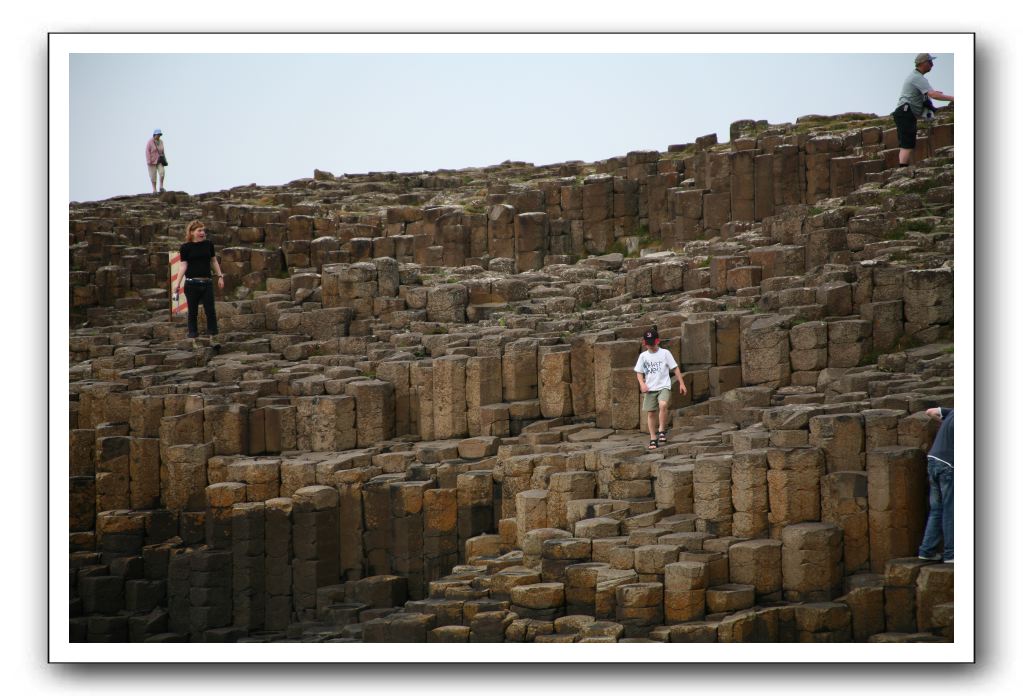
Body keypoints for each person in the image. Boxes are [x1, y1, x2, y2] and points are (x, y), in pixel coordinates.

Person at [893, 53, 954, 167]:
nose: (932, 65)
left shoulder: (915, 76)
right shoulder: (917, 78)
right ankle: (902, 169)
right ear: (923, 63)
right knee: (907, 143)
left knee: (905, 142)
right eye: (930, 62)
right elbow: (933, 95)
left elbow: (928, 94)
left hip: (903, 112)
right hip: (906, 112)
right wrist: (953, 98)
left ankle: (902, 168)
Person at [634, 328, 686, 450]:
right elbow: (639, 372)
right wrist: (642, 384)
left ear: (657, 341)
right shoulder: (643, 356)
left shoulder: (665, 353)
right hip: (650, 388)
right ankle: (653, 438)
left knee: (663, 404)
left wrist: (682, 384)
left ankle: (661, 429)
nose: (650, 346)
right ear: (644, 343)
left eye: (652, 343)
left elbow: (675, 368)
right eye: (648, 343)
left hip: (664, 385)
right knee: (651, 413)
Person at [173, 220, 224, 342]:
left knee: (210, 310)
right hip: (191, 284)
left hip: (207, 283)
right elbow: (183, 266)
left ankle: (213, 336)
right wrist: (177, 283)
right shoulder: (185, 247)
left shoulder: (208, 244)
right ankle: (193, 335)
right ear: (191, 232)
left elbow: (214, 261)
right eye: (199, 230)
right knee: (192, 311)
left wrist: (220, 276)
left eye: (203, 230)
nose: (203, 233)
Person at [917, 407, 954, 563]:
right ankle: (951, 553)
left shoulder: (953, 412)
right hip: (949, 465)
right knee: (951, 509)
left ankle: (927, 550)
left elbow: (930, 412)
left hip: (933, 461)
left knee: (937, 508)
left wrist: (945, 421)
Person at [146, 128, 167, 193]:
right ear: (154, 135)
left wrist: (164, 159)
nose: (159, 136)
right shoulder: (150, 142)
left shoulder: (161, 142)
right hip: (152, 161)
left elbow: (162, 151)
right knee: (153, 176)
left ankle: (161, 187)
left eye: (159, 135)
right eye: (158, 134)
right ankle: (154, 189)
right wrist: (149, 160)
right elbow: (147, 152)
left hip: (159, 160)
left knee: (162, 173)